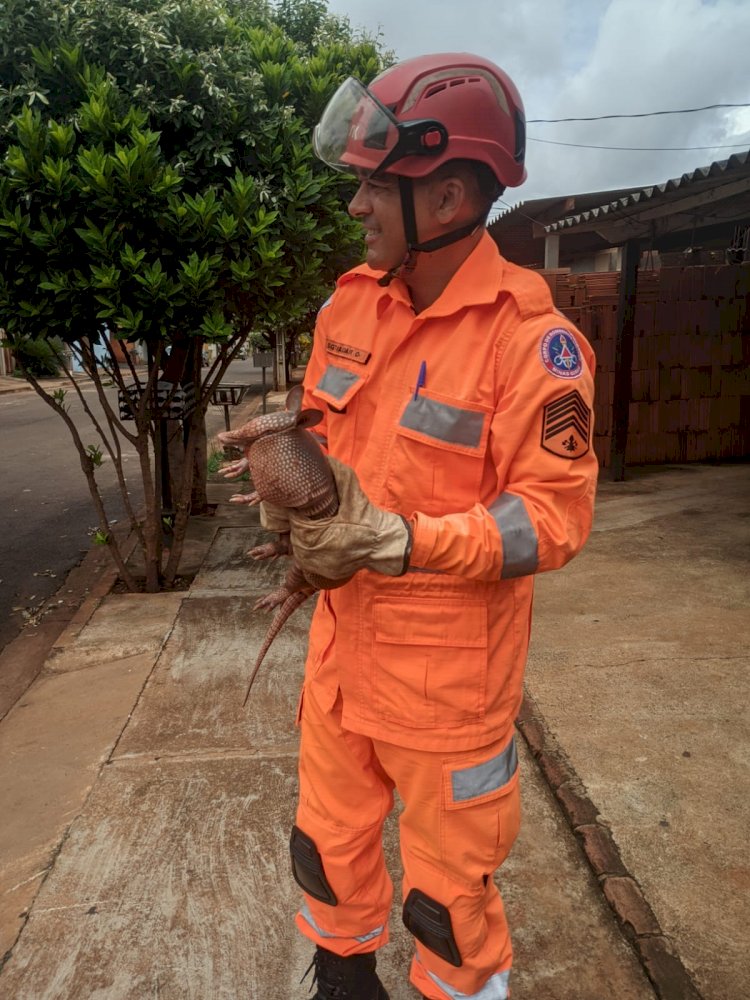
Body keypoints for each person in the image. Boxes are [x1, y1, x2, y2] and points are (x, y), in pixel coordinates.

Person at [275, 53, 598, 1000]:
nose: (356, 206)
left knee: (448, 909)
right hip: (339, 662)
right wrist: (284, 485)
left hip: (450, 694)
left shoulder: (531, 344)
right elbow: (321, 448)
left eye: (376, 184)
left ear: (449, 197)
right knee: (326, 853)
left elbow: (553, 519)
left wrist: (403, 541)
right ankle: (341, 981)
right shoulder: (349, 305)